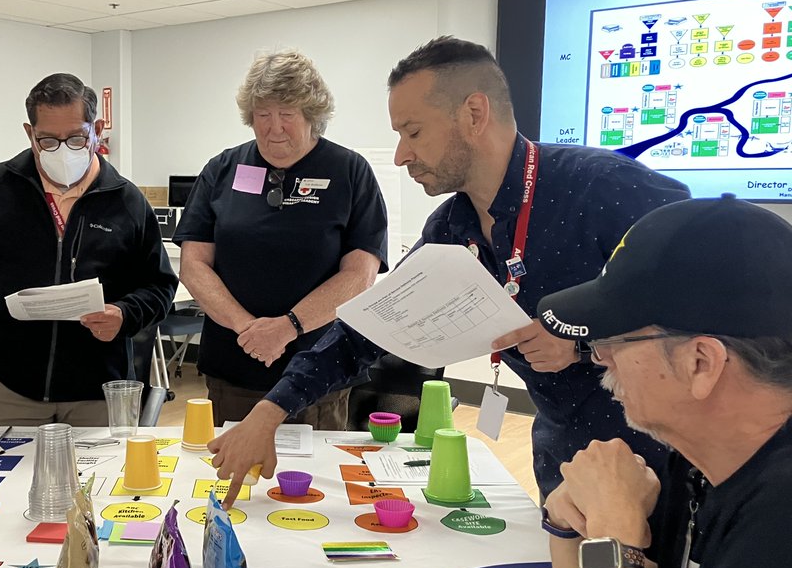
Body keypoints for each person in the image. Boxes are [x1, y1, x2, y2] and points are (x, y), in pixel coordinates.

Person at [210, 36, 689, 506]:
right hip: (565, 457)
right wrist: (269, 412)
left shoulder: (600, 188)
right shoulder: (451, 228)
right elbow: (365, 332)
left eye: (413, 132)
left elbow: (712, 298)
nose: (401, 155)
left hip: (664, 459)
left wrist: (585, 342)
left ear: (474, 114)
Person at [537, 196, 791, 568]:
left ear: (702, 363)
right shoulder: (703, 455)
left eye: (616, 343)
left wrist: (618, 534)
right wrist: (570, 517)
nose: (599, 360)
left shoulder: (780, 514)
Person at [0, 73, 176, 427]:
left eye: (76, 138)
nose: (63, 150)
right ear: (29, 133)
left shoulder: (126, 200)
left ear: (96, 128)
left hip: (99, 387)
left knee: (96, 481)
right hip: (8, 386)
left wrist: (124, 315)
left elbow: (160, 285)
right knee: (5, 479)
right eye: (48, 140)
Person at [173, 50, 387, 428]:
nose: (274, 129)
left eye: (287, 115)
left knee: (317, 482)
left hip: (320, 369)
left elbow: (360, 275)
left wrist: (288, 327)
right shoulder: (222, 169)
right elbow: (194, 265)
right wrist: (249, 330)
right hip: (235, 366)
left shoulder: (350, 172)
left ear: (312, 116)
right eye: (262, 115)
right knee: (236, 479)